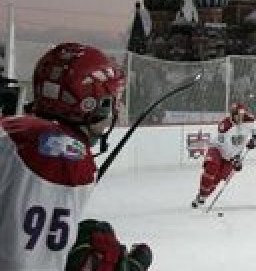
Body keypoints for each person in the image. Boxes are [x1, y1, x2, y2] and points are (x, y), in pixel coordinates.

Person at [0, 42, 152, 271]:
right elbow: (23, 261)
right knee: (100, 243)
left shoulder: (14, 128)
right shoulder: (64, 155)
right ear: (92, 105)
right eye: (111, 100)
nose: (115, 108)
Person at [191, 102, 256, 208]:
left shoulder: (250, 120)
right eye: (238, 115)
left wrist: (254, 140)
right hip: (218, 149)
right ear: (232, 115)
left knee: (219, 178)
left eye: (242, 115)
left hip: (233, 155)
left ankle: (204, 197)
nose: (240, 118)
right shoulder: (225, 125)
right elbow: (225, 146)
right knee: (212, 167)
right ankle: (201, 195)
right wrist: (234, 160)